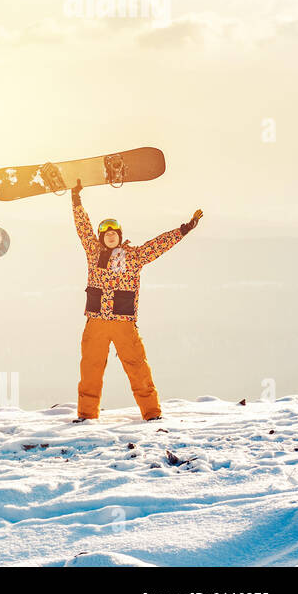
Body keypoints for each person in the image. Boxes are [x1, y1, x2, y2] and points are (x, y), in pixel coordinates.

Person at [70, 178, 202, 422]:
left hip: (123, 323)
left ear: (120, 236)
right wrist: (76, 199)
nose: (110, 236)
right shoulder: (93, 253)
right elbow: (83, 227)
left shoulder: (133, 257)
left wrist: (184, 229)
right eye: (106, 234)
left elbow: (158, 245)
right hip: (96, 322)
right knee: (90, 369)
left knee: (137, 367)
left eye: (114, 233)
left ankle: (152, 414)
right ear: (100, 238)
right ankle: (86, 416)